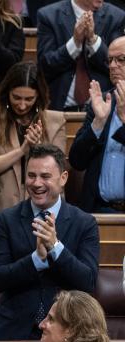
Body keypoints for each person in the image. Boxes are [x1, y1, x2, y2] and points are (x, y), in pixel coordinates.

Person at [0, 144, 99, 341]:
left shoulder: (84, 223)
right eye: (31, 176)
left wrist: (56, 247)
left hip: (67, 333)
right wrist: (36, 259)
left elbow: (87, 281)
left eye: (45, 176)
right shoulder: (6, 220)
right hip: (13, 332)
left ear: (63, 178)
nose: (37, 183)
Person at [0, 61, 66, 213]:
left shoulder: (55, 121)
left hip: (42, 207)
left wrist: (37, 147)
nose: (22, 105)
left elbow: (59, 173)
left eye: (29, 99)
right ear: (7, 93)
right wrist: (22, 150)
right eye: (16, 97)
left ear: (39, 96)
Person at [68, 36, 125, 213]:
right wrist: (98, 124)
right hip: (98, 210)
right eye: (110, 60)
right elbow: (77, 161)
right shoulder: (103, 102)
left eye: (121, 60)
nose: (113, 66)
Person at [36, 0, 125, 111]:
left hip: (103, 106)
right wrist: (74, 42)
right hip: (58, 107)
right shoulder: (48, 15)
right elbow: (45, 67)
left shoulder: (116, 16)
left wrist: (93, 40)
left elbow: (117, 66)